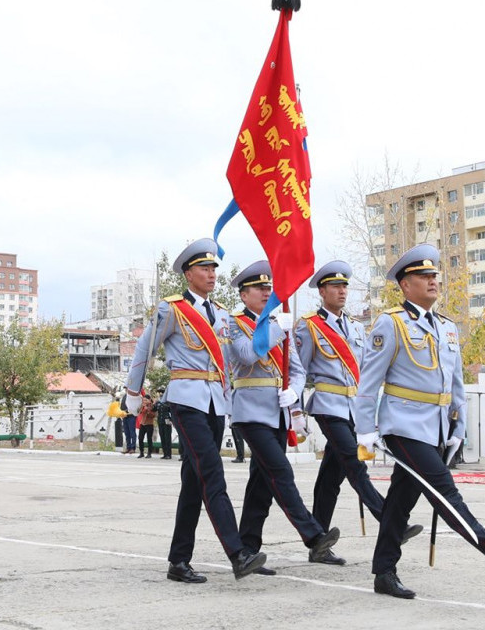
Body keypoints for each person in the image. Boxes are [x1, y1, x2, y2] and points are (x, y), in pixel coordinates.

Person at [354, 244, 485, 600]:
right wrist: (365, 428)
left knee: (399, 502)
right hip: (402, 425)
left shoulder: (446, 327)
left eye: (435, 274)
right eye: (424, 276)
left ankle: (383, 572)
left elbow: (454, 385)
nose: (433, 280)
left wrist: (457, 429)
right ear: (405, 285)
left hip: (436, 427)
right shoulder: (390, 324)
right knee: (443, 490)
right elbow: (369, 381)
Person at [124, 238, 266, 582]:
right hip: (186, 400)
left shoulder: (219, 313)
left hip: (215, 402)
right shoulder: (171, 309)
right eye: (205, 268)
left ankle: (178, 560)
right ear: (189, 274)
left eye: (214, 267)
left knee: (193, 482)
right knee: (212, 472)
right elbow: (146, 349)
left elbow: (231, 360)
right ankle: (238, 552)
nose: (212, 273)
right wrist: (132, 391)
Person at [296, 260, 420, 549]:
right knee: (355, 463)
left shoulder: (355, 327)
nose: (342, 291)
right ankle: (390, 520)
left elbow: (365, 369)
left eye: (344, 286)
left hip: (354, 406)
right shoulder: (309, 327)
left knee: (331, 476)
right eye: (335, 286)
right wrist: (296, 410)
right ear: (322, 291)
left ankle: (318, 541)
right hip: (328, 405)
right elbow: (299, 371)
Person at [228, 260, 339, 571]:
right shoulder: (235, 322)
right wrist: (279, 328)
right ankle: (313, 535)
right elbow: (248, 354)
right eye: (259, 288)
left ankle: (247, 550)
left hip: (277, 412)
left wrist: (294, 395)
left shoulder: (279, 321)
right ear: (243, 294)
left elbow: (298, 371)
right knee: (280, 472)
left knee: (261, 485)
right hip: (250, 411)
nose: (267, 292)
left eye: (269, 287)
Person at [156, 394, 174, 459]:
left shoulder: (169, 402)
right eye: (160, 394)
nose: (160, 395)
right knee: (162, 437)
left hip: (167, 421)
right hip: (160, 421)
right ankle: (165, 453)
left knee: (167, 438)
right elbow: (154, 409)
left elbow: (172, 412)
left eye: (162, 394)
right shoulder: (158, 403)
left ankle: (169, 454)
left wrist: (172, 420)